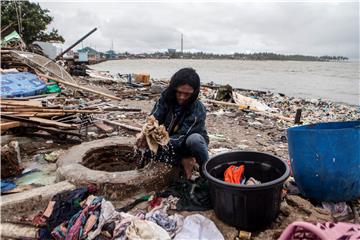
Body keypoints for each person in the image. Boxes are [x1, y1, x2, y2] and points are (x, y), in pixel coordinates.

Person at [136, 68, 209, 179]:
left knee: (195, 140)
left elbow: (181, 138)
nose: (182, 97)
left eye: (187, 94)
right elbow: (153, 118)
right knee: (141, 149)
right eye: (179, 92)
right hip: (165, 141)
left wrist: (159, 144)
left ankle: (206, 172)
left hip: (185, 145)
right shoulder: (165, 99)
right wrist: (145, 135)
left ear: (194, 92)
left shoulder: (198, 110)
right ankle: (182, 161)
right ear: (173, 88)